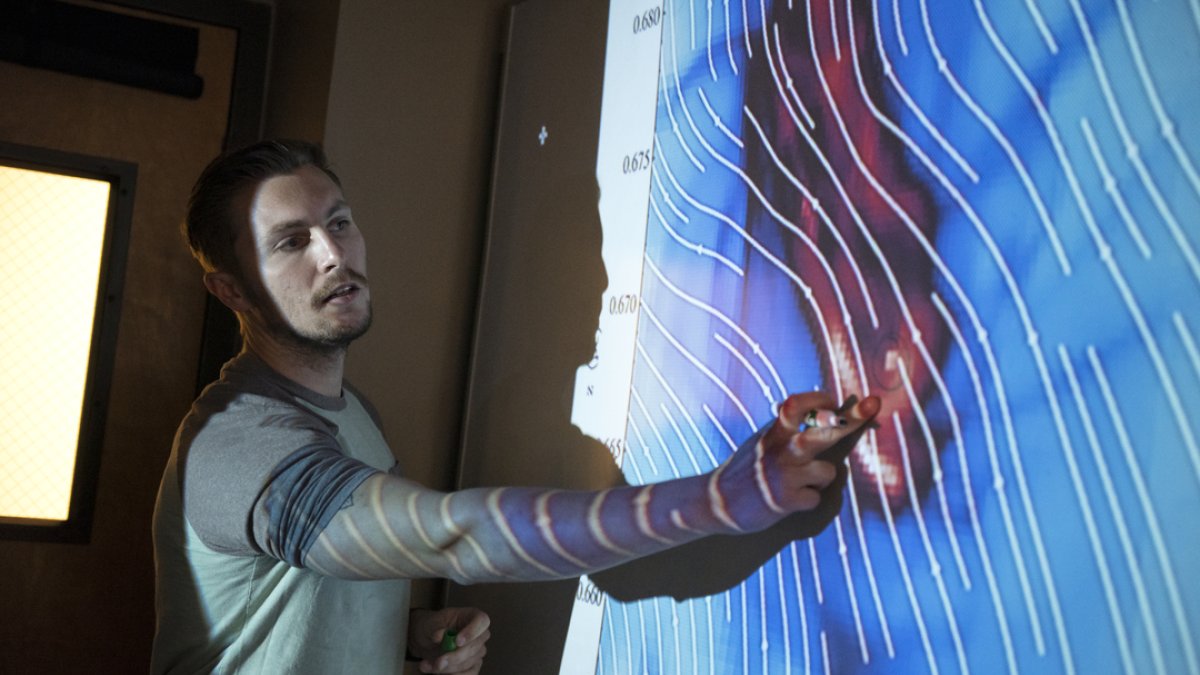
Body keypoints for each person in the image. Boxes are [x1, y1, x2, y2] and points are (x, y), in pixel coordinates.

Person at [150, 139, 880, 674]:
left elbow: (300, 589)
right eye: (290, 242)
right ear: (232, 291)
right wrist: (723, 498)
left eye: (338, 222)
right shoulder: (233, 443)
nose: (333, 254)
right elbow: (448, 538)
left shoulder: (353, 412)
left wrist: (403, 631)